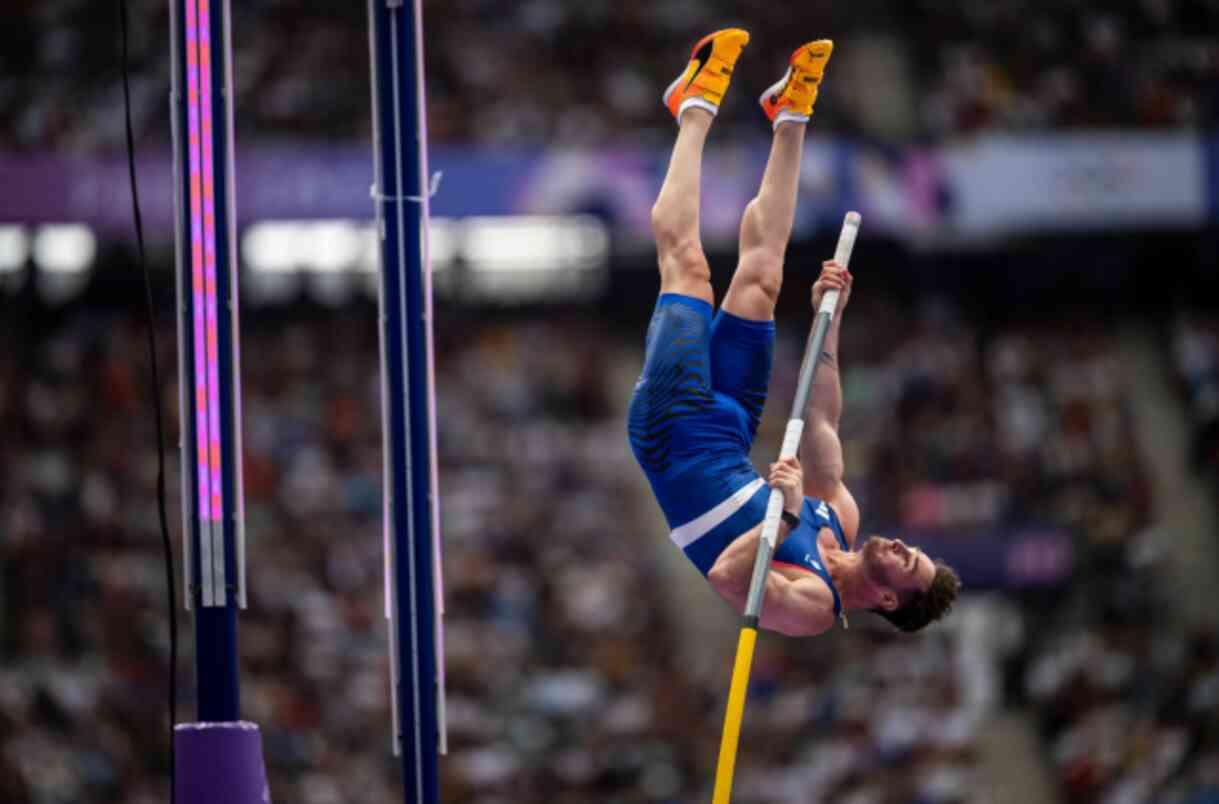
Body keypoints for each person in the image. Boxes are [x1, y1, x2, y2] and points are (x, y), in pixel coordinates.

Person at [628, 29, 960, 637]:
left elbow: (729, 581)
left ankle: (693, 107)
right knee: (762, 279)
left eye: (906, 560)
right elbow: (823, 419)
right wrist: (828, 316)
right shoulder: (840, 518)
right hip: (731, 429)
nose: (901, 543)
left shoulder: (813, 606)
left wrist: (777, 523)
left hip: (673, 440)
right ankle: (792, 113)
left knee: (690, 269)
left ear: (888, 599)